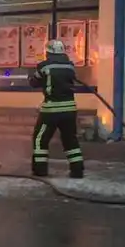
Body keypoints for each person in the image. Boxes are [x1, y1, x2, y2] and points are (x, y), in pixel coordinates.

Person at [27, 39, 84, 179]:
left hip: (51, 110)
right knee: (70, 139)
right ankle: (77, 170)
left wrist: (32, 76)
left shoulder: (44, 66)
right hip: (69, 109)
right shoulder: (70, 66)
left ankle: (40, 170)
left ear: (48, 52)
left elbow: (34, 83)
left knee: (40, 139)